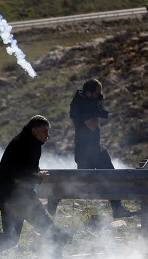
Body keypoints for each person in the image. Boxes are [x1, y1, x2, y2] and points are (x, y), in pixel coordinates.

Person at [0, 115, 71, 259]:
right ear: (34, 131)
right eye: (45, 131)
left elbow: (27, 169)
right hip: (17, 199)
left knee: (11, 238)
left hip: (17, 197)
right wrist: (39, 178)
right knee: (46, 231)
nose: (48, 135)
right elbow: (19, 175)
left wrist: (37, 174)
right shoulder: (23, 145)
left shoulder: (31, 143)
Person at [46, 79, 136, 218]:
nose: (100, 95)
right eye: (97, 93)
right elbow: (92, 125)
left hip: (95, 149)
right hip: (86, 152)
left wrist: (96, 104)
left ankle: (117, 209)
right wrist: (97, 106)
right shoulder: (84, 105)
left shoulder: (86, 102)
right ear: (89, 93)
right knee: (80, 183)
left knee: (110, 176)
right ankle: (54, 199)